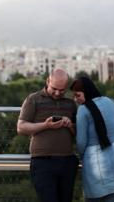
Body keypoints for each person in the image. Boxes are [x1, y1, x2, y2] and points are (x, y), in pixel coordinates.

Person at [70, 76, 114, 202]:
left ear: (86, 92)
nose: (76, 99)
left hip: (94, 162)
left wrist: (80, 155)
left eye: (78, 95)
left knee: (93, 197)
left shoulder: (83, 111)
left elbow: (81, 142)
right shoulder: (110, 101)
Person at [17, 69, 79, 202]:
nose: (58, 93)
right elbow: (21, 127)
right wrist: (45, 125)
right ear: (47, 81)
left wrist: (70, 125)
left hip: (67, 161)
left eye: (62, 90)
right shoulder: (33, 99)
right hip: (42, 162)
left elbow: (78, 133)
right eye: (54, 88)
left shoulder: (71, 103)